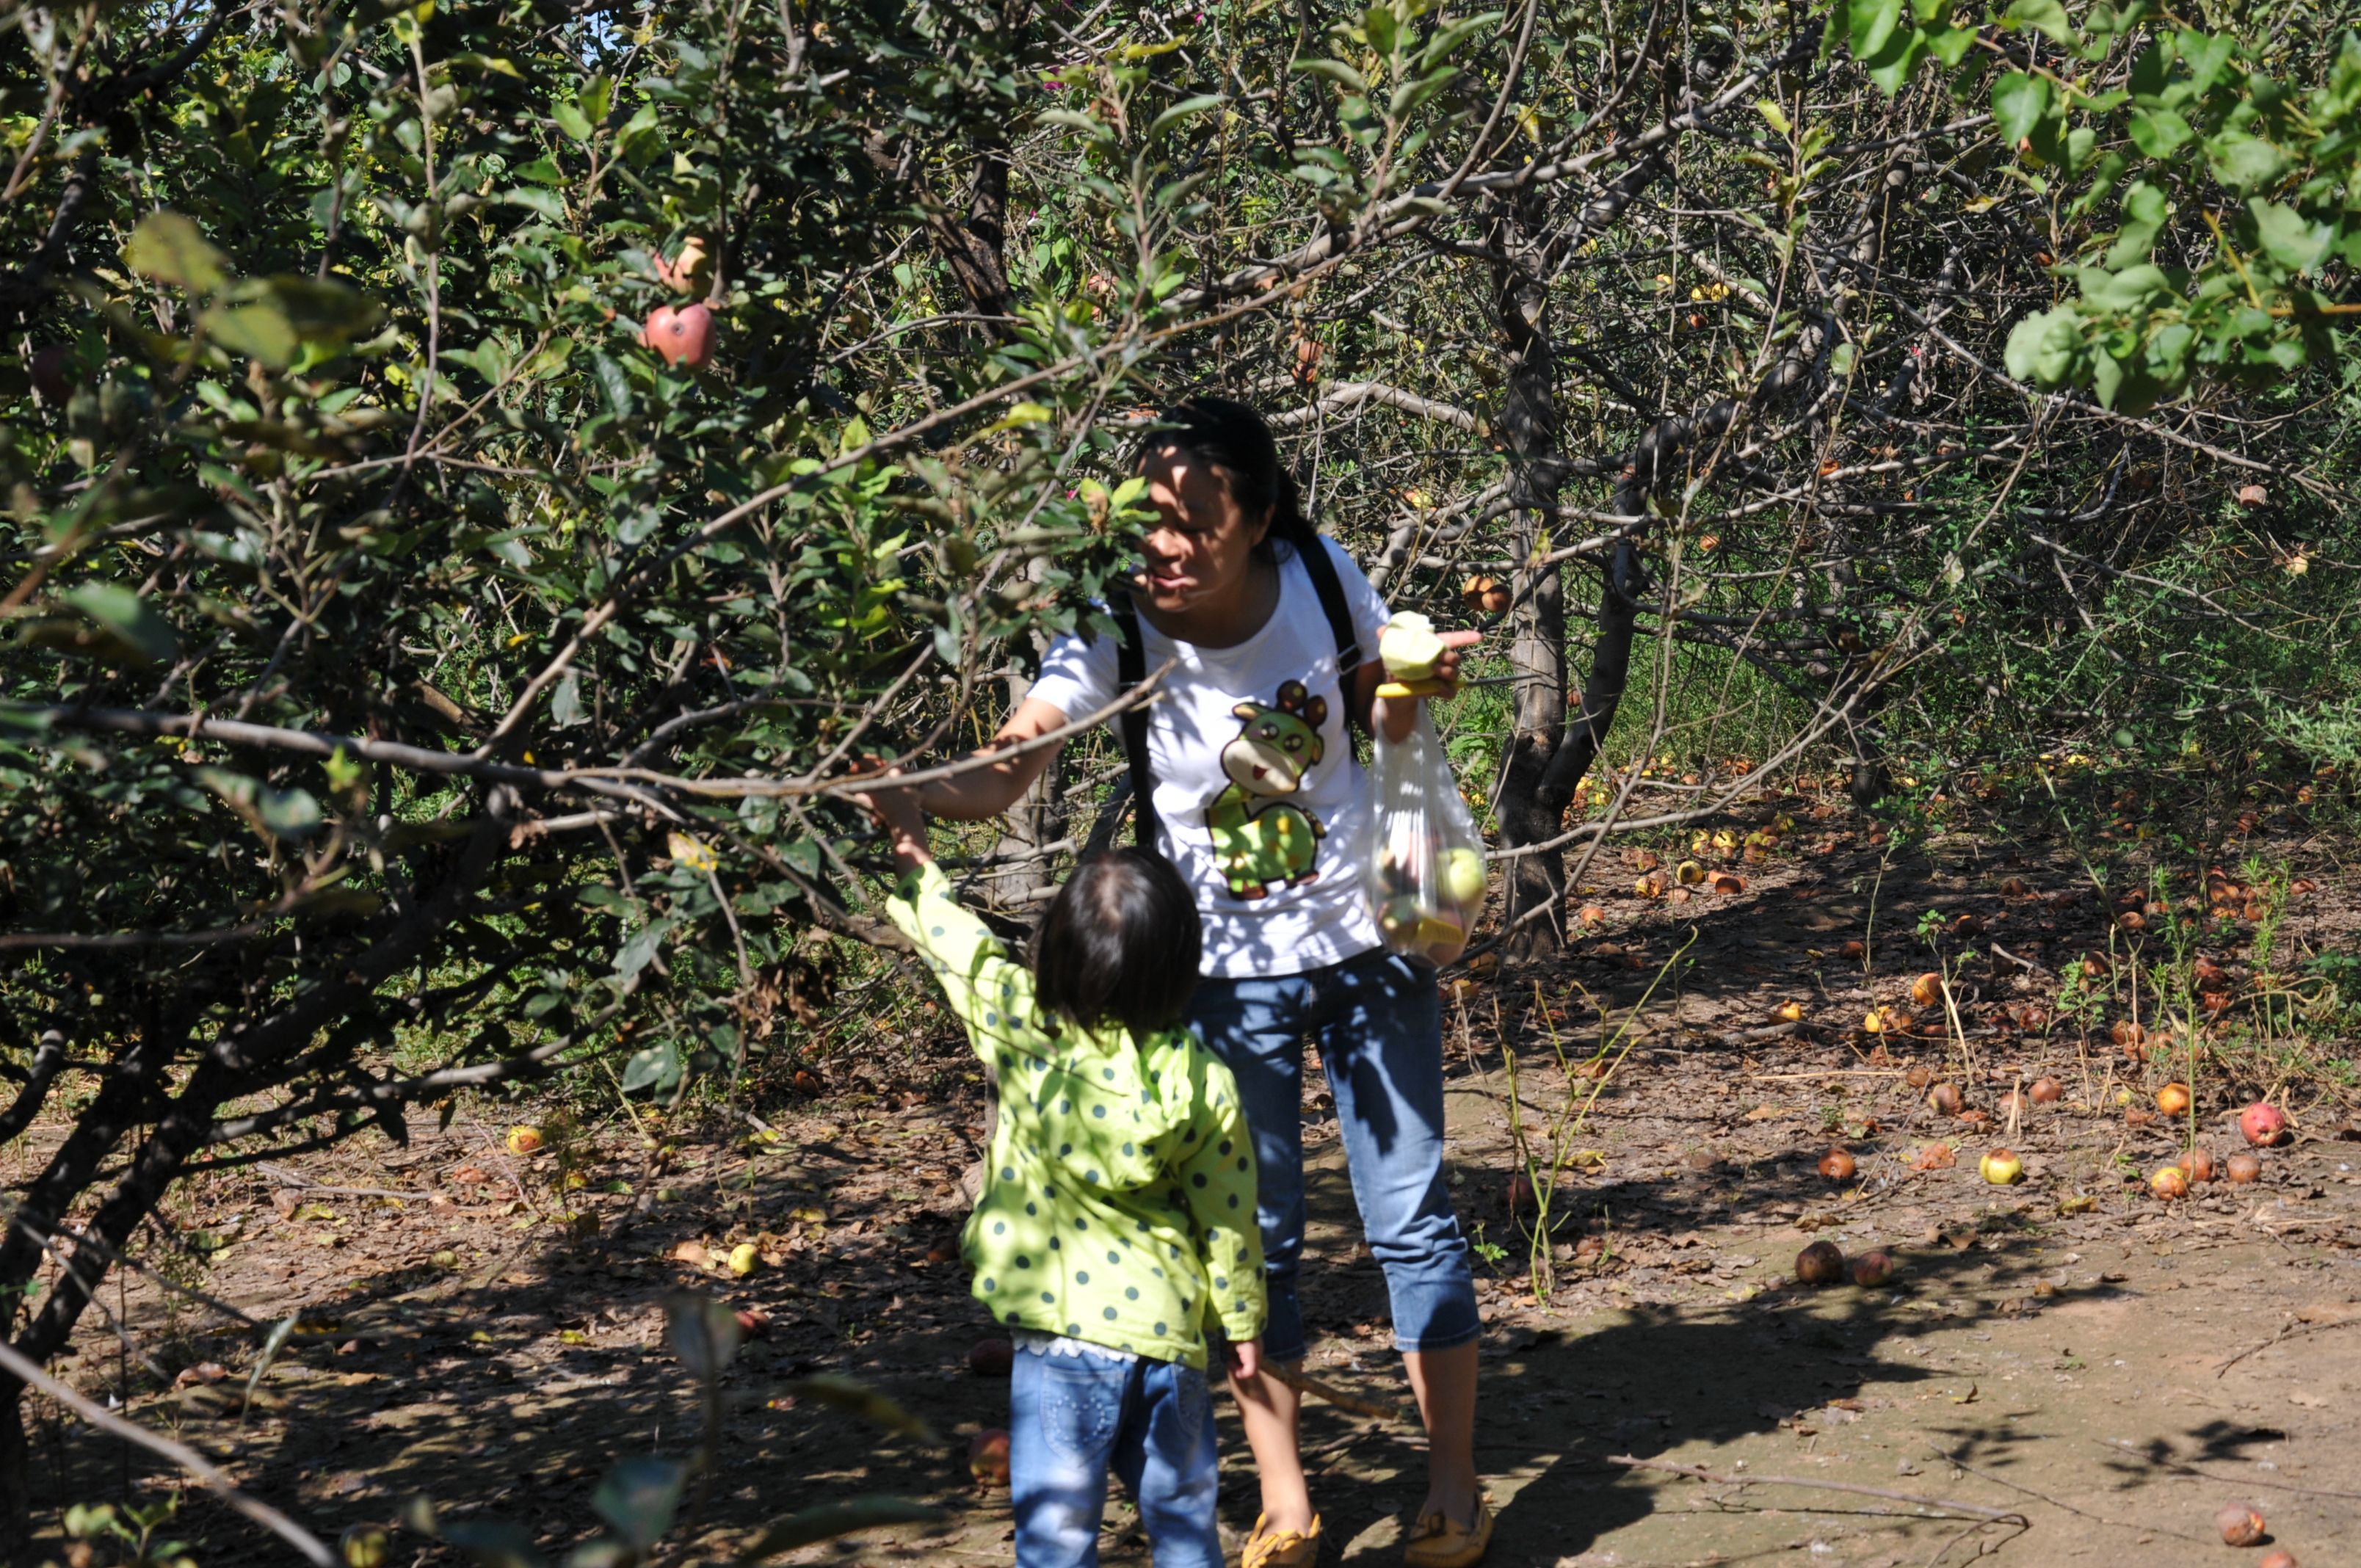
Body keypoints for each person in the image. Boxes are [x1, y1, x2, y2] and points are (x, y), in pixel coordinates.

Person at [891, 396, 1490, 1568]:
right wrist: (907, 793)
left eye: (1189, 523)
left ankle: (1455, 1486)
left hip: (1369, 940)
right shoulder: (1114, 616)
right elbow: (1019, 761)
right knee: (1258, 1242)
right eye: (1146, 518)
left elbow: (1371, 705)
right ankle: (1287, 1503)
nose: (1161, 545)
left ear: (1259, 520)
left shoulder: (1320, 571)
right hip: (1222, 975)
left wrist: (1414, 691)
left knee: (1411, 1218)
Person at [864, 781, 1266, 1568]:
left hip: (1060, 1343)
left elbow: (954, 942)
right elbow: (1230, 1218)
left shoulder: (1020, 1027)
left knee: (1057, 1535)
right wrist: (1244, 1325)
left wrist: (908, 840)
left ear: (1054, 955)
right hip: (1167, 1340)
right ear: (1182, 965)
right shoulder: (1201, 1077)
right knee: (1183, 1521)